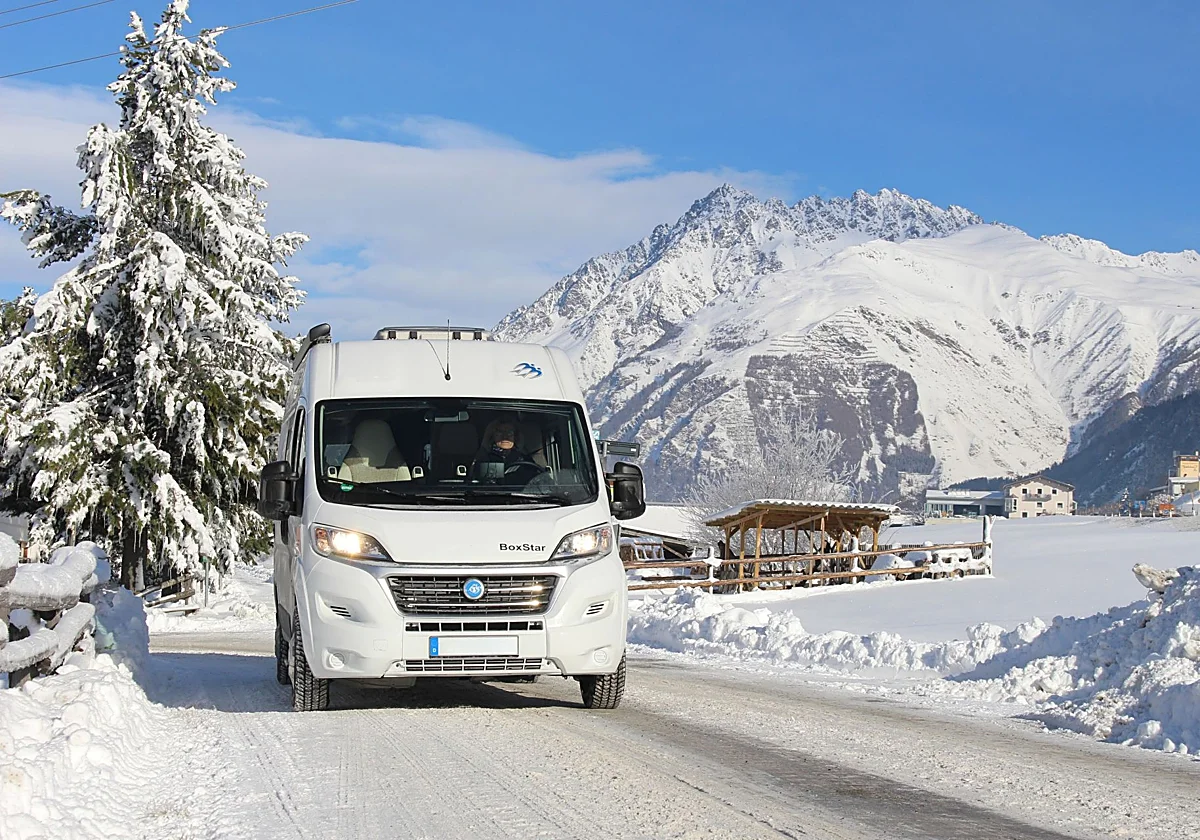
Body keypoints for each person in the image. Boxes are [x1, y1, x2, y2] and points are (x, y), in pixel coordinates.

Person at [472, 417, 541, 482]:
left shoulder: (525, 460)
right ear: (492, 436)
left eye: (509, 432)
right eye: (500, 432)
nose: (505, 436)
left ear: (516, 437)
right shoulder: (484, 458)